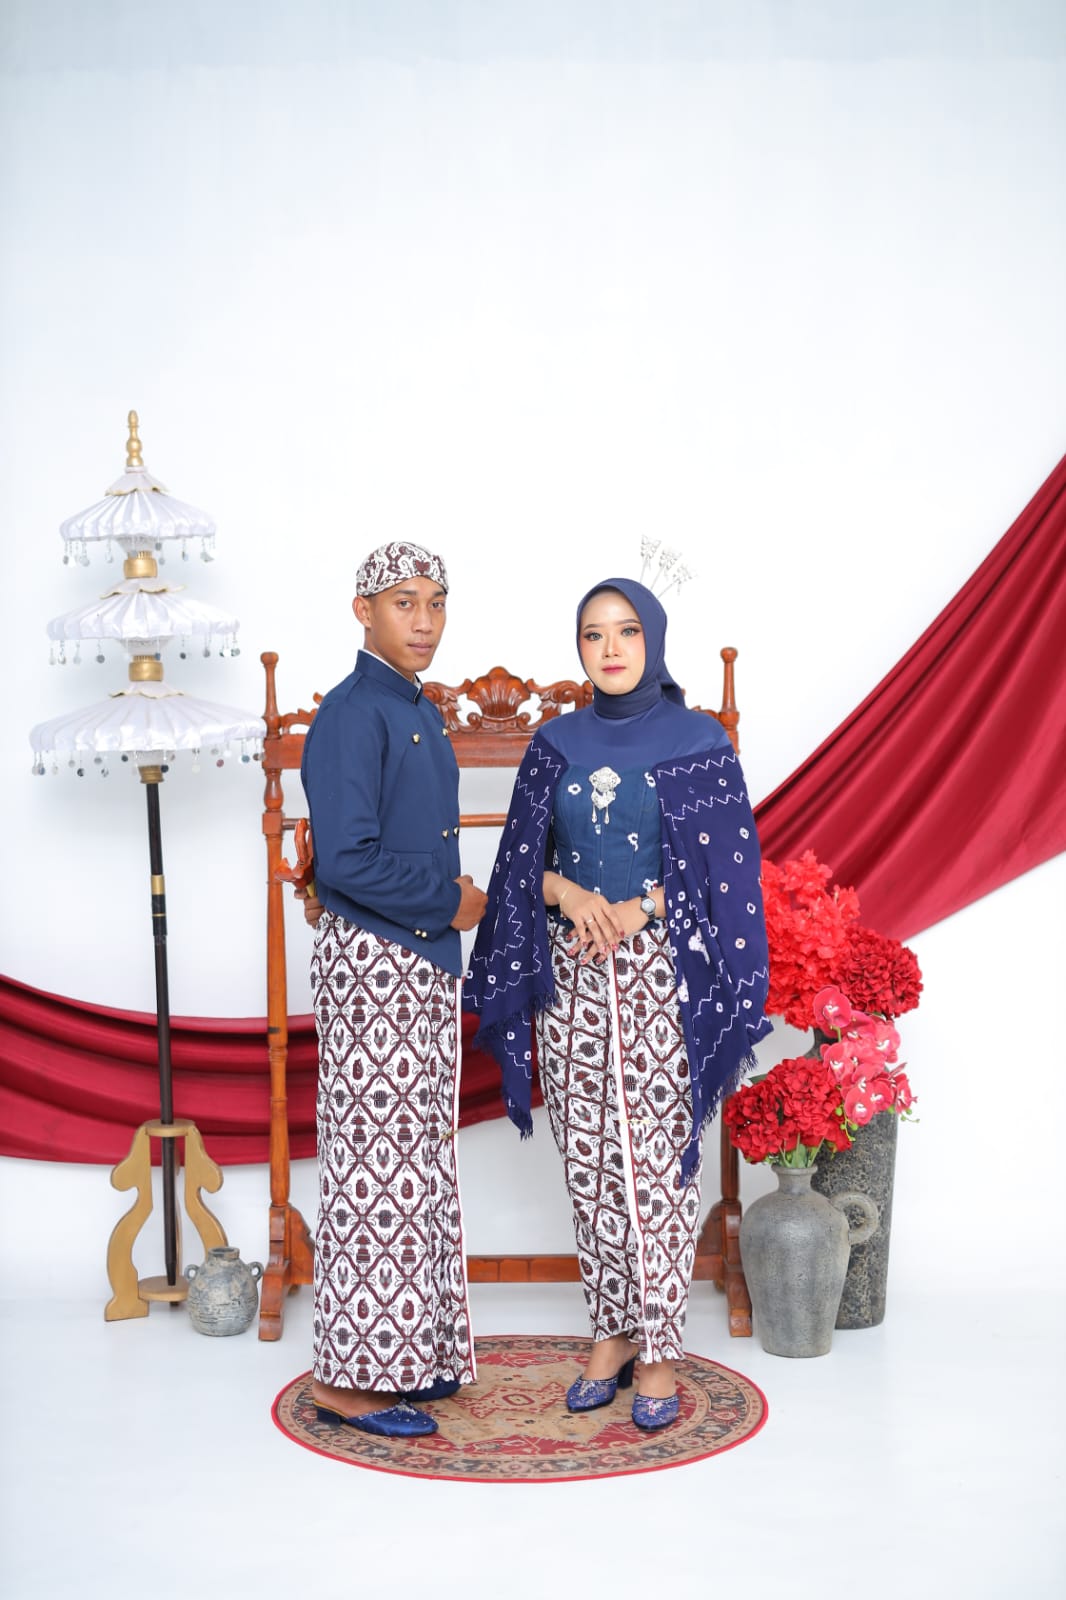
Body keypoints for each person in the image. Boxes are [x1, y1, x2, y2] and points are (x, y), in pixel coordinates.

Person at [465, 578, 771, 1430]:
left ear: (653, 640)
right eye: (594, 634)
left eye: (627, 631)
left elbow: (730, 873)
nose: (610, 649)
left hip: (663, 978)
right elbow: (518, 869)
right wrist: (566, 892)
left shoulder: (699, 742)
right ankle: (611, 1332)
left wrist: (643, 906)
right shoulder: (553, 744)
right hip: (571, 978)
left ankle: (661, 1347)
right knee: (592, 1161)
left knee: (658, 1167)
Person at [301, 540, 487, 1438]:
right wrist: (452, 902)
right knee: (374, 1171)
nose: (424, 621)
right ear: (363, 611)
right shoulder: (352, 713)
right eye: (404, 603)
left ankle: (412, 1358)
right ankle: (347, 1383)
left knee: (413, 1168)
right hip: (377, 966)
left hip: (414, 964)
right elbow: (345, 862)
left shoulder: (415, 706)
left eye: (436, 603)